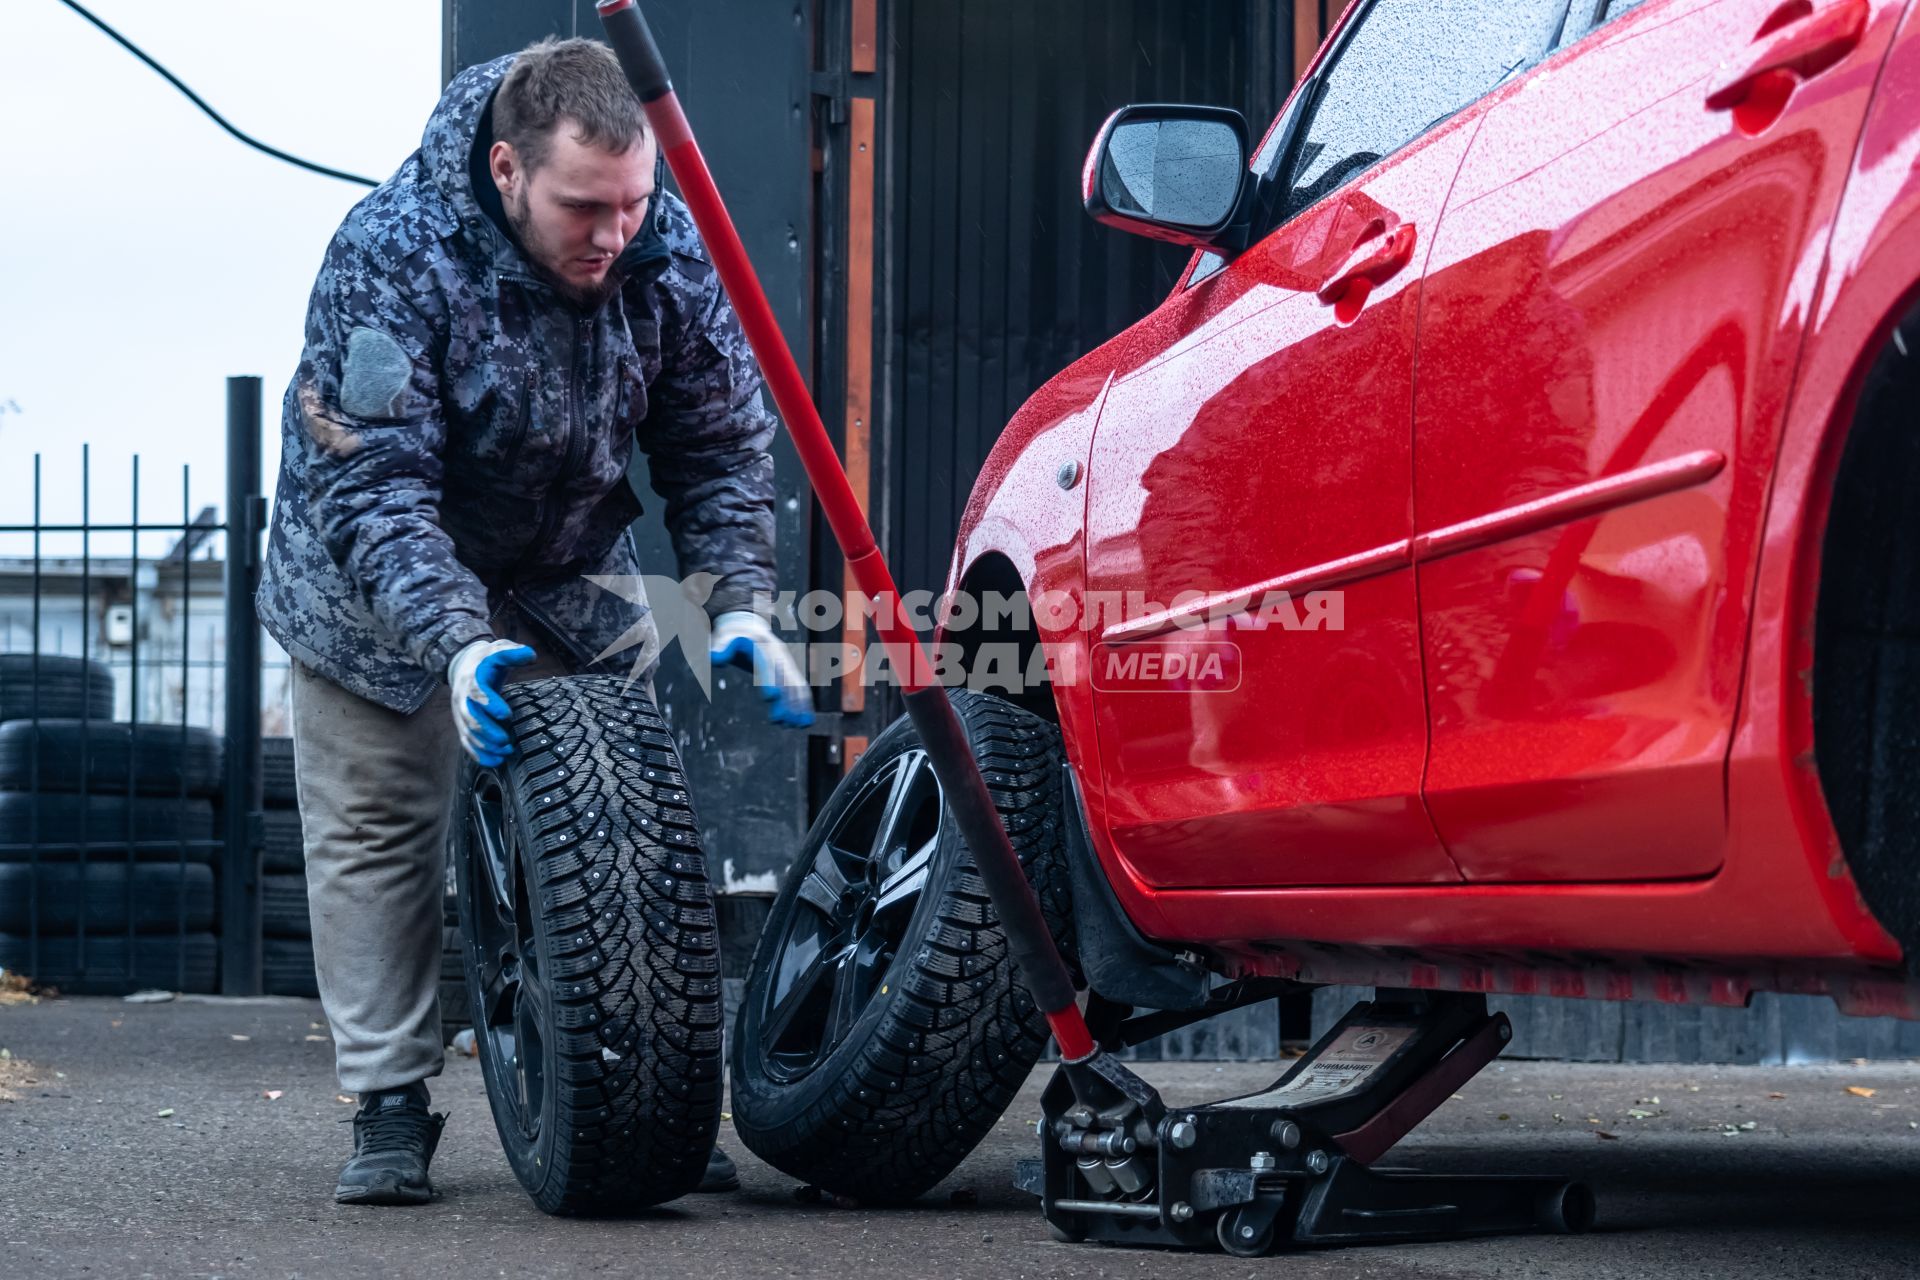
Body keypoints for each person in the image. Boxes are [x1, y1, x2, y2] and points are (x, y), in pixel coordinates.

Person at [257, 36, 812, 1206]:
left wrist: (743, 603)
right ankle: (391, 1099)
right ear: (507, 171)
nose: (613, 233)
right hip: (374, 578)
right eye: (581, 208)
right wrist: (456, 642)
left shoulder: (662, 246)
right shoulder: (389, 254)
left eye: (631, 201)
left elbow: (717, 444)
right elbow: (374, 484)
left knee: (624, 813)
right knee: (378, 826)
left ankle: (639, 1088)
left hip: (564, 562)